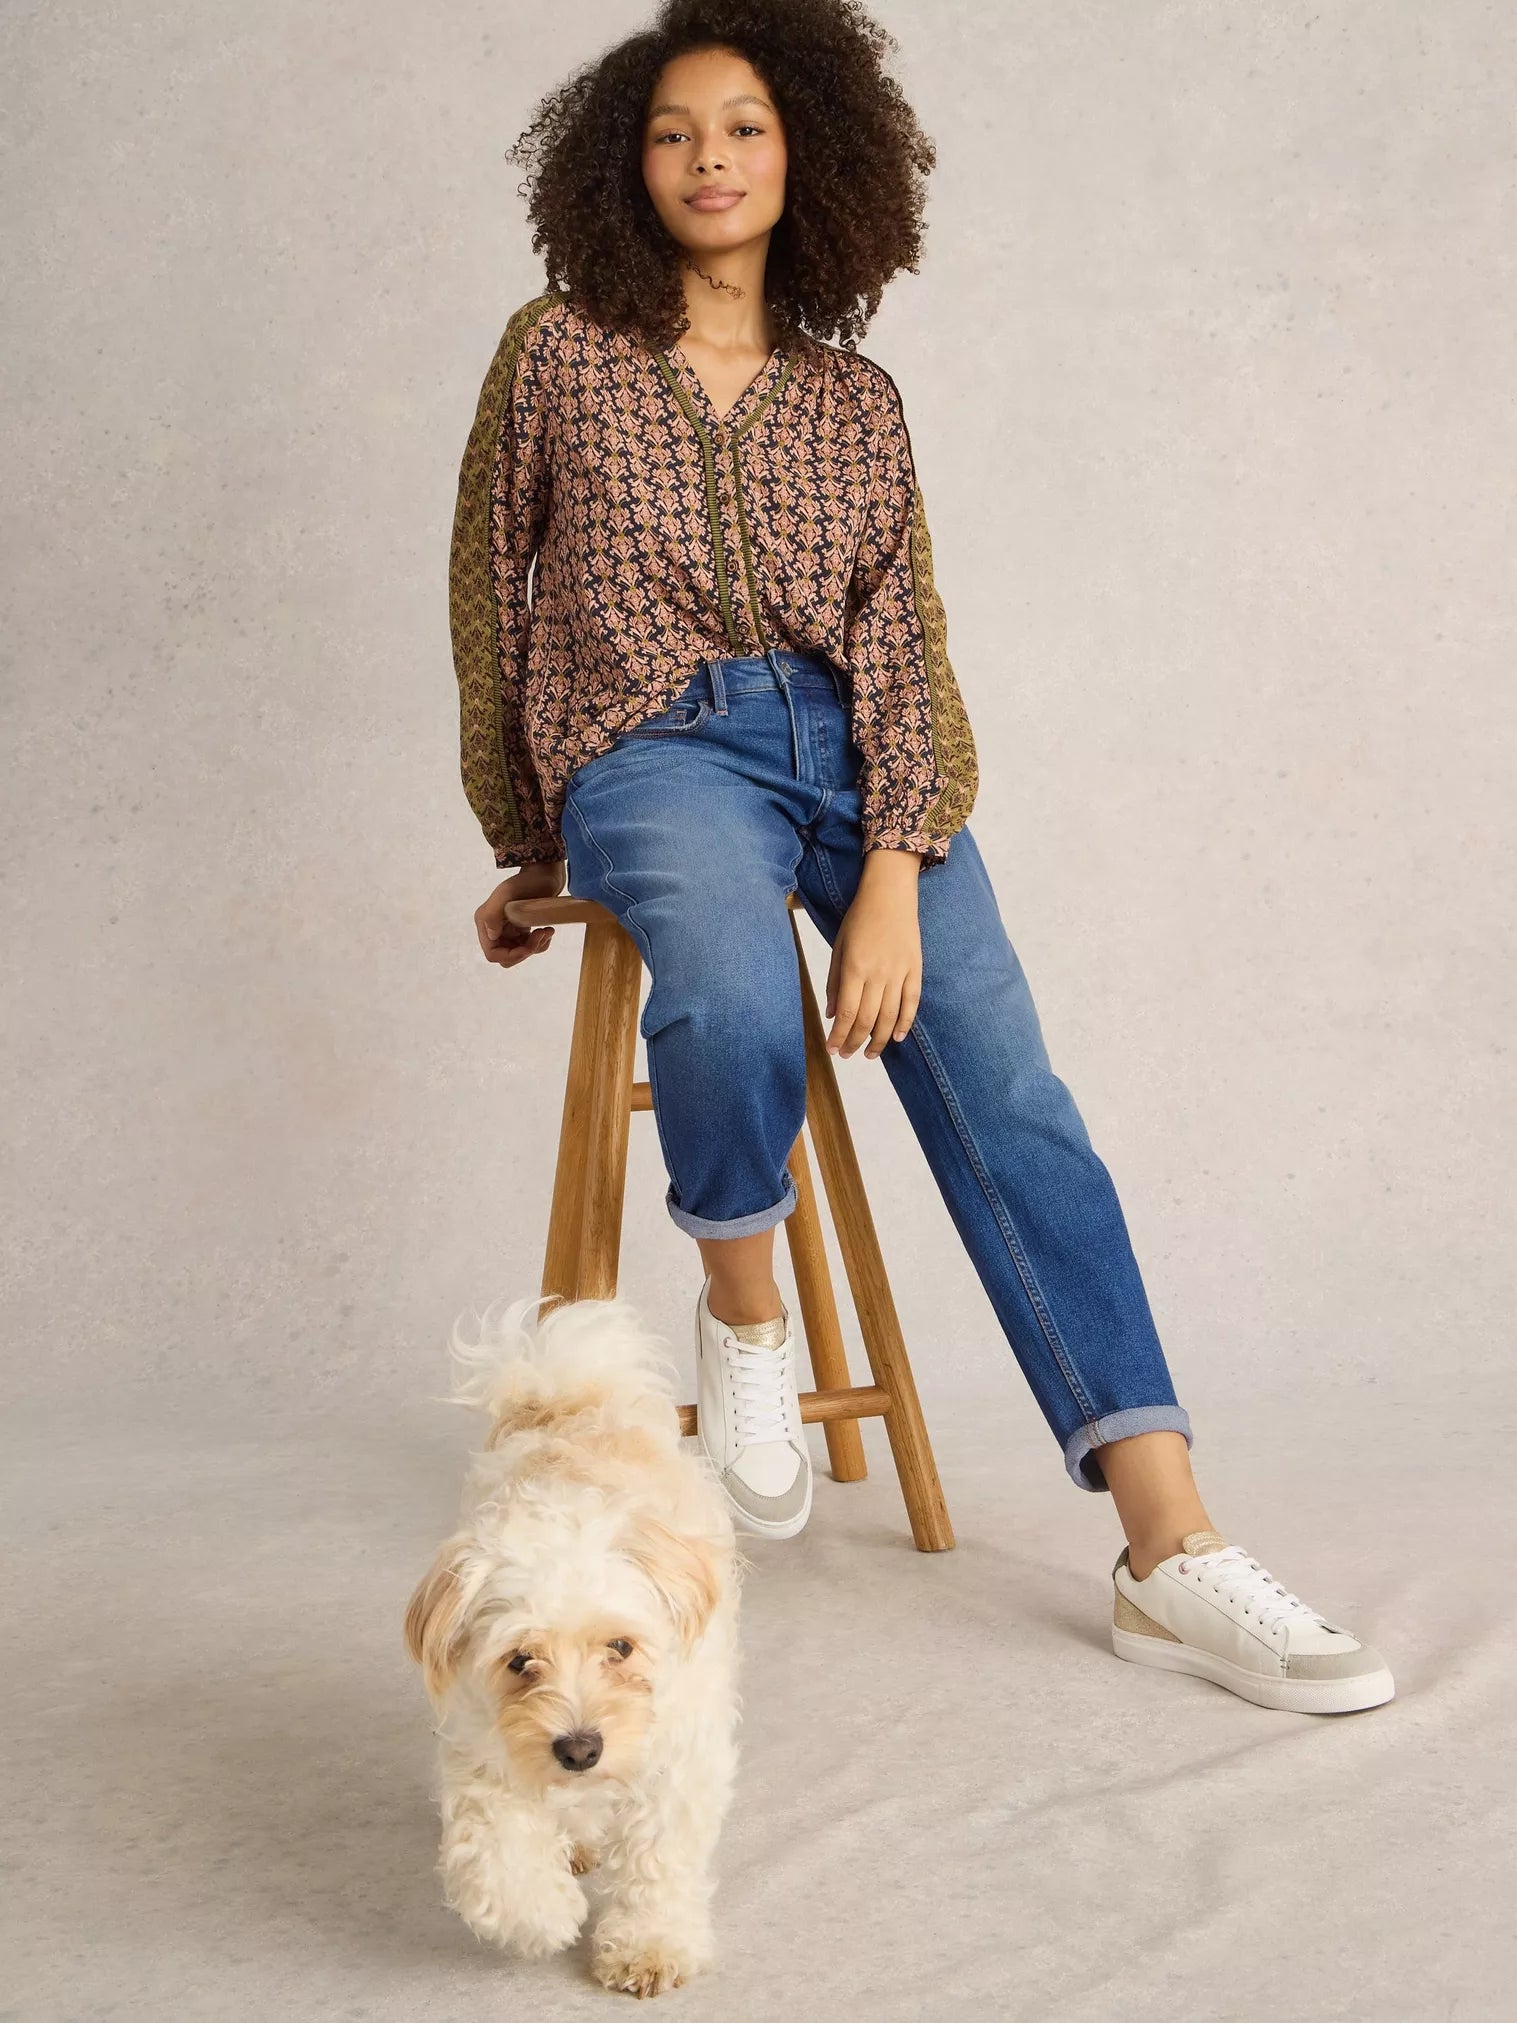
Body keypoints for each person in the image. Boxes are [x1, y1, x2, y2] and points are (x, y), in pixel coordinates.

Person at [448, 0, 1392, 1714]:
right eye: (671, 132)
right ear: (621, 166)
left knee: (1010, 1086)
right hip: (652, 750)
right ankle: (747, 1317)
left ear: (805, 152)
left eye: (743, 127)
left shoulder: (854, 400)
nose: (710, 159)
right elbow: (487, 595)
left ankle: (1168, 1549)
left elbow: (903, 646)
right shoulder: (558, 352)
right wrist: (527, 836)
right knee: (730, 988)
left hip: (858, 760)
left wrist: (893, 864)